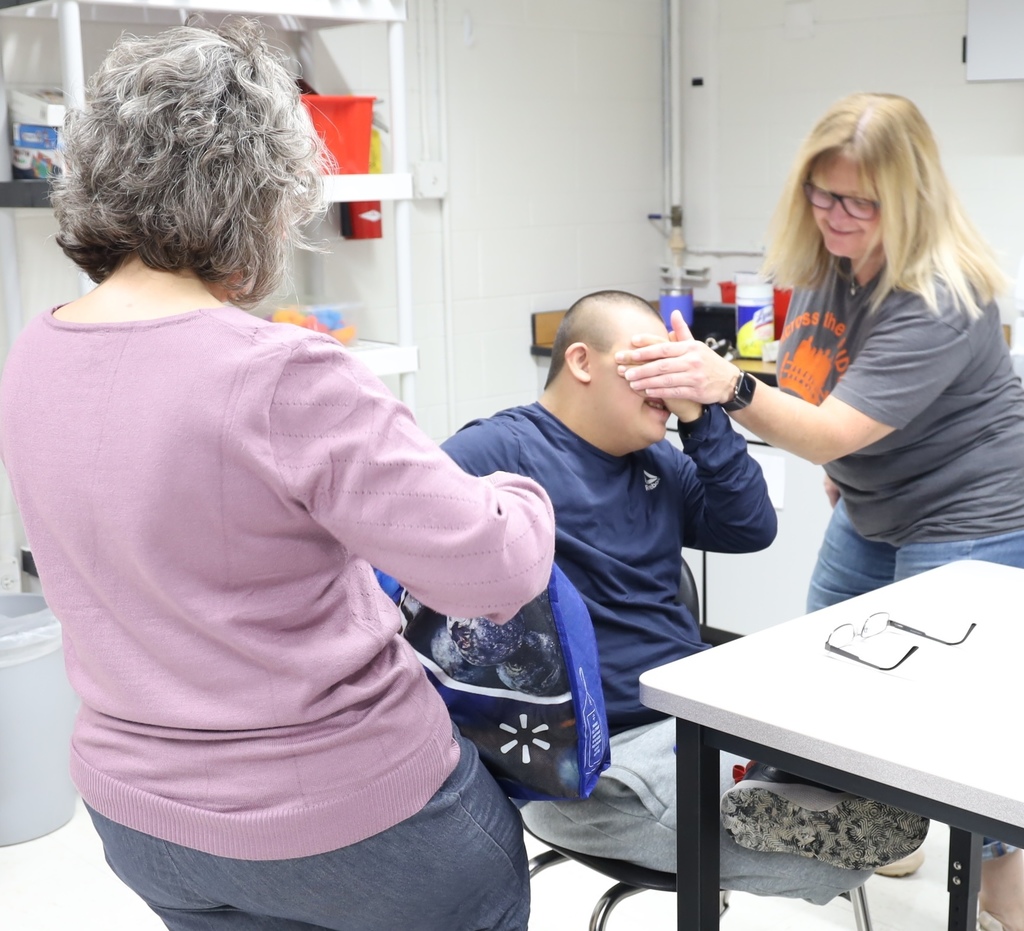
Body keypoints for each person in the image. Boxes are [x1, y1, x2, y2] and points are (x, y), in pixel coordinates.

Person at [0, 20, 557, 931]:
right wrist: (521, 492)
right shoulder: (280, 372)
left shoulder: (35, 350)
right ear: (258, 194)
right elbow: (493, 570)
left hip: (143, 818)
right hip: (347, 819)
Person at [616, 92, 1024, 931]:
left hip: (971, 510)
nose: (835, 215)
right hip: (873, 499)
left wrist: (727, 386)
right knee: (829, 683)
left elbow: (829, 424)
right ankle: (891, 830)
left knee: (953, 722)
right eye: (822, 193)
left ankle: (1000, 888)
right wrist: (837, 460)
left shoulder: (940, 296)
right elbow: (819, 390)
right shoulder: (829, 263)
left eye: (859, 202)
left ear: (908, 198)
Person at [441, 289, 926, 906]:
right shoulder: (496, 453)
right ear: (582, 362)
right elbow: (398, 561)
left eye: (676, 362)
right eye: (650, 360)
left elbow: (750, 527)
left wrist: (702, 417)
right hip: (586, 758)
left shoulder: (659, 462)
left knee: (845, 738)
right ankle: (774, 798)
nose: (670, 380)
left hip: (691, 713)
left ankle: (776, 790)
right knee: (830, 865)